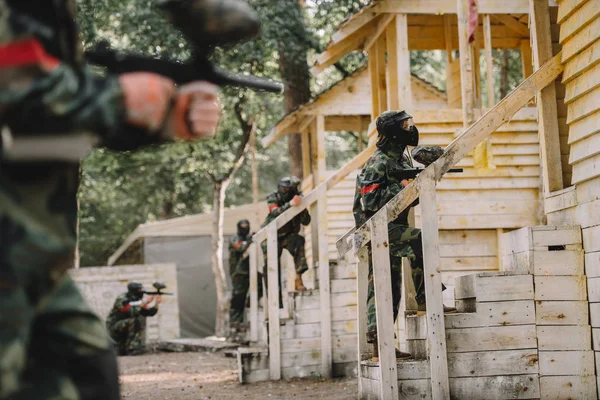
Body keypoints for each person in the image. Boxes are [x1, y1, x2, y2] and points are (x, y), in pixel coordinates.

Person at [0, 1, 220, 399]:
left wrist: (157, 119)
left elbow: (39, 125)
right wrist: (118, 98)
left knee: (89, 370)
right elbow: (15, 86)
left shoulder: (44, 13)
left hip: (29, 251)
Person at [353, 110, 456, 360]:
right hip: (374, 230)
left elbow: (410, 201)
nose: (410, 128)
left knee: (393, 289)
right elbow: (370, 201)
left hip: (389, 228)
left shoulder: (401, 159)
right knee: (385, 283)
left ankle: (385, 346)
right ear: (392, 131)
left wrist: (418, 183)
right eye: (405, 125)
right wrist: (401, 187)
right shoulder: (379, 161)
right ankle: (423, 299)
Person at [261, 176, 310, 304]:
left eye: (288, 189)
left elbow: (306, 221)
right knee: (271, 267)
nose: (285, 191)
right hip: (270, 236)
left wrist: (301, 206)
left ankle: (298, 280)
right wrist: (291, 204)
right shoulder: (273, 197)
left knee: (299, 241)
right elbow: (275, 212)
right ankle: (274, 300)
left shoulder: (298, 197)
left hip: (288, 235)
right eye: (283, 188)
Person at [106, 283, 161, 356]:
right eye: (139, 290)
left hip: (125, 326)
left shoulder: (137, 300)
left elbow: (149, 312)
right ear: (133, 290)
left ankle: (132, 347)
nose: (141, 291)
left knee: (135, 321)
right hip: (114, 327)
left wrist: (156, 303)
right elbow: (130, 311)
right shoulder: (122, 298)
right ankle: (132, 349)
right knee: (134, 321)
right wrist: (145, 302)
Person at [229, 219, 262, 330]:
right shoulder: (234, 238)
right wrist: (250, 240)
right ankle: (235, 322)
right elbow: (240, 248)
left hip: (249, 271)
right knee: (238, 297)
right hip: (237, 273)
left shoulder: (248, 238)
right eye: (242, 225)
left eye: (246, 225)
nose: (244, 227)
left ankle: (250, 307)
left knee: (260, 285)